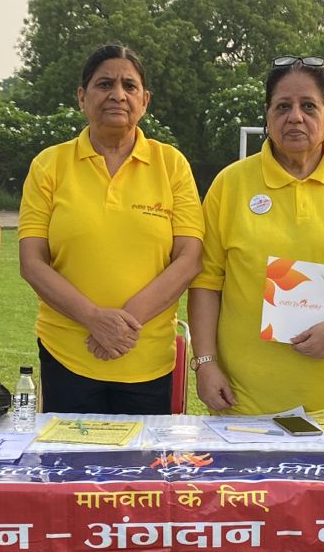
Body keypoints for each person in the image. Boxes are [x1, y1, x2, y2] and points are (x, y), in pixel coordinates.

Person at [188, 55, 324, 415]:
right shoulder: (230, 184)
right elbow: (206, 282)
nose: (295, 117)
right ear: (267, 115)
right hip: (244, 399)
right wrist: (205, 362)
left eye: (309, 106)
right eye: (283, 106)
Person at [17, 45, 203, 413]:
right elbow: (32, 262)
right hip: (67, 354)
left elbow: (189, 258)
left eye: (129, 86)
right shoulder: (49, 165)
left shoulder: (171, 165)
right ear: (82, 97)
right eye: (104, 84)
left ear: (144, 100)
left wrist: (122, 325)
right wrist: (92, 318)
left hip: (147, 357)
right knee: (68, 452)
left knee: (141, 454)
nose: (117, 94)